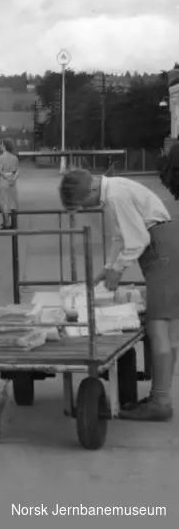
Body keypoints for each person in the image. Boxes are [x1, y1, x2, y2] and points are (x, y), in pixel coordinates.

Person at [59, 169, 175, 422]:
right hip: (162, 247)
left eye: (84, 204)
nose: (88, 207)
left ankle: (160, 402)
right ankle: (160, 397)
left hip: (161, 250)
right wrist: (107, 268)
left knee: (159, 327)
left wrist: (118, 269)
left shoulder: (117, 195)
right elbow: (120, 236)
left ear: (91, 190)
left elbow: (138, 239)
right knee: (163, 327)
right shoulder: (114, 191)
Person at [0, 138, 20, 229]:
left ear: (5, 146)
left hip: (3, 180)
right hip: (12, 180)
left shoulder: (1, 157)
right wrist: (13, 179)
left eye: (1, 144)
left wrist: (6, 178)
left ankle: (6, 223)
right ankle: (14, 223)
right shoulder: (14, 157)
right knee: (12, 201)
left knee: (3, 202)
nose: (0, 146)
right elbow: (17, 171)